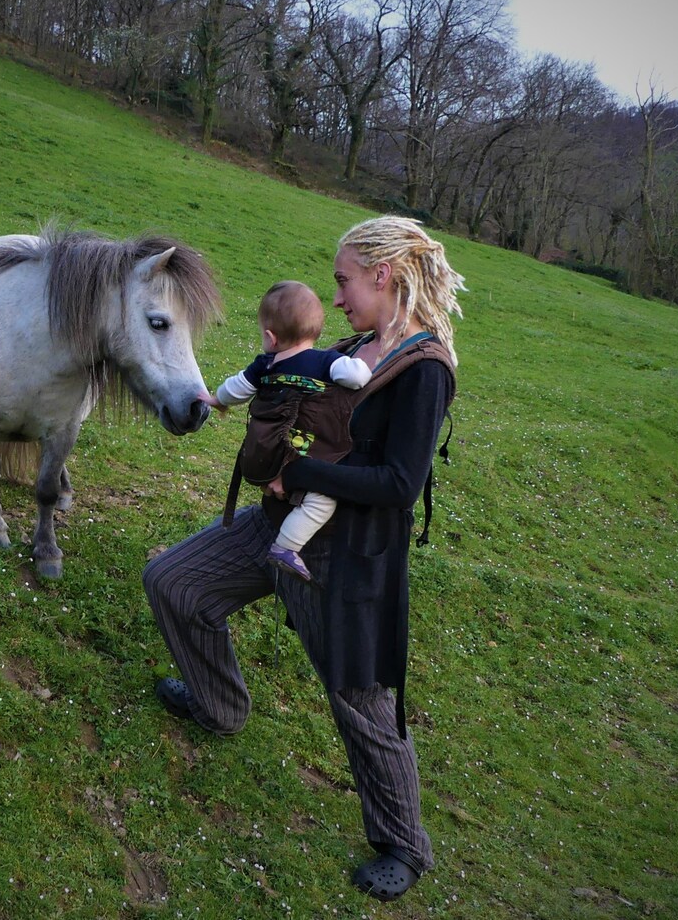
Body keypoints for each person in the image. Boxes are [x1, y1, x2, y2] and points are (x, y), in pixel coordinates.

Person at [143, 215, 464, 902]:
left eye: (346, 279)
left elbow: (399, 485)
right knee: (173, 581)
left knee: (361, 702)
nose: (338, 296)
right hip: (278, 526)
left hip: (345, 560)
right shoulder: (353, 346)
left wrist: (305, 474)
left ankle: (404, 844)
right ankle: (220, 703)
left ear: (385, 274)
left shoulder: (424, 369)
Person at [200, 280, 371, 582]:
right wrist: (365, 364)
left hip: (269, 453)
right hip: (306, 452)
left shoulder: (264, 365)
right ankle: (287, 546)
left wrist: (216, 400)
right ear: (316, 331)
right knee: (322, 501)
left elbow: (236, 388)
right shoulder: (325, 361)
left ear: (270, 337)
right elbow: (358, 377)